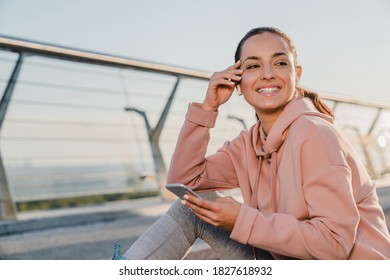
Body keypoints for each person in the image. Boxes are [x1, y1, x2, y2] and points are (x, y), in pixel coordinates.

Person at [122, 27, 390, 260]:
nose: (268, 74)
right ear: (238, 82)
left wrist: (241, 220)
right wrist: (208, 108)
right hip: (286, 260)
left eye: (280, 63)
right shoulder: (250, 142)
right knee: (194, 206)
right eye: (253, 66)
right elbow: (185, 182)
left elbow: (335, 245)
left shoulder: (315, 134)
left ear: (296, 74)